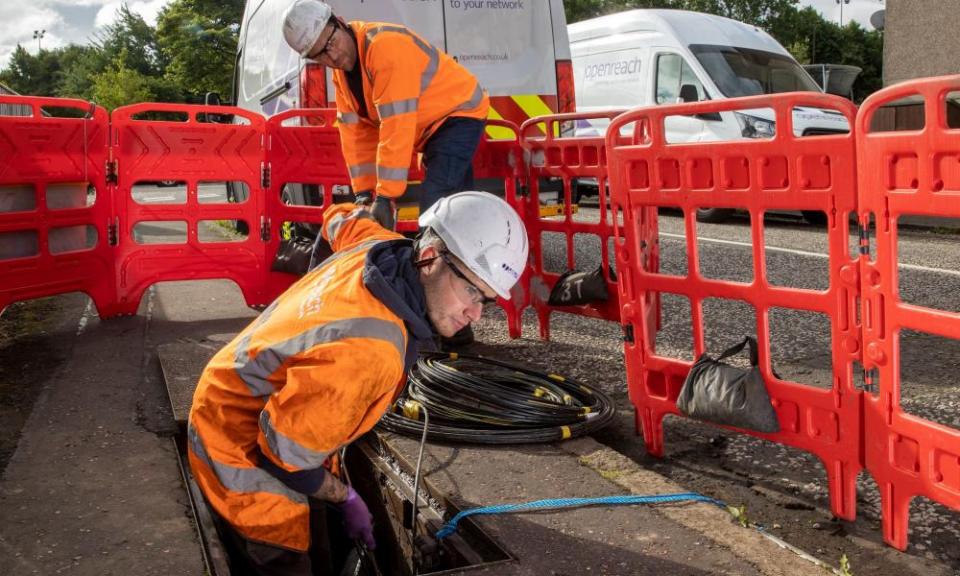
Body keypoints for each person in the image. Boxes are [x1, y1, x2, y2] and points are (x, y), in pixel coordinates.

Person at [188, 191, 528, 575]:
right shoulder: (369, 351)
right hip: (234, 440)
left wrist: (315, 287)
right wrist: (347, 497)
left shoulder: (377, 243)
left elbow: (340, 214)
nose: (476, 314)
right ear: (430, 257)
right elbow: (286, 460)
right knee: (282, 547)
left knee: (320, 528)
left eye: (488, 299)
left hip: (245, 389)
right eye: (470, 290)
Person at [281, 0, 489, 231]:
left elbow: (396, 125)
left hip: (457, 113)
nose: (333, 56)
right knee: (455, 204)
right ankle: (468, 251)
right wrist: (363, 193)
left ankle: (440, 259)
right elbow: (356, 135)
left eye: (331, 42)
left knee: (435, 209)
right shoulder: (342, 77)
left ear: (340, 22)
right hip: (435, 126)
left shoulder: (384, 48)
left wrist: (384, 197)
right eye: (320, 55)